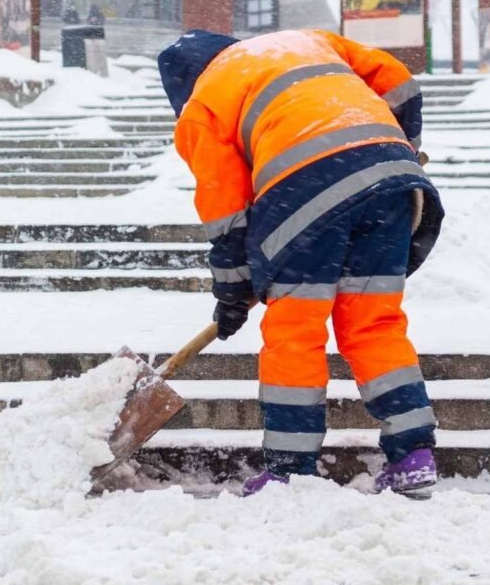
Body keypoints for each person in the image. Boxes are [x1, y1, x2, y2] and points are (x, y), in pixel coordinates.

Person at [158, 29, 444, 497]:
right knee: (375, 324)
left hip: (303, 193)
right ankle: (413, 454)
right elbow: (400, 83)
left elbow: (227, 214)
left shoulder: (202, 106)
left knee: (297, 330)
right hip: (393, 184)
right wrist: (404, 145)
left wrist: (232, 293)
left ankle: (290, 471)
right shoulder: (306, 41)